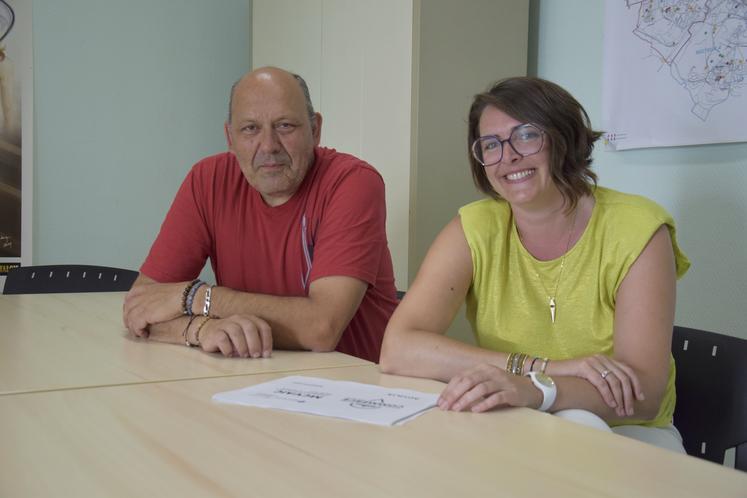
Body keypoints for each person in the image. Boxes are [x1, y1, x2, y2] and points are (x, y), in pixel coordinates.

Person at [380, 76, 690, 451]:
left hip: (633, 437)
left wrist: (536, 389)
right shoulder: (474, 227)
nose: (508, 156)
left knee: (575, 426)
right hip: (519, 420)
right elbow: (397, 350)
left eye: (526, 135)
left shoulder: (638, 229)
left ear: (564, 137)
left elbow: (642, 394)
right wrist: (542, 370)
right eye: (490, 145)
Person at [123, 67, 398, 363]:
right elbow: (141, 306)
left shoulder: (353, 183)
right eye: (250, 129)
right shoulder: (207, 180)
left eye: (285, 126)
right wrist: (200, 330)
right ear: (230, 137)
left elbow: (321, 327)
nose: (268, 146)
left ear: (315, 130)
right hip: (255, 380)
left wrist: (198, 298)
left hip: (354, 387)